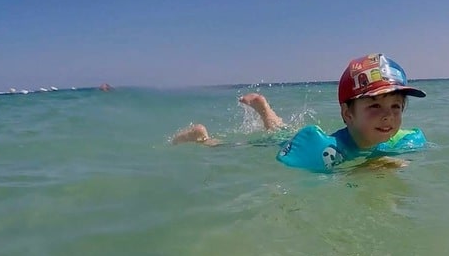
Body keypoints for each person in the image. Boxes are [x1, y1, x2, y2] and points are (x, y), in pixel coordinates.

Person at [172, 54, 427, 171]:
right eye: (374, 106)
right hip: (295, 145)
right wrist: (374, 165)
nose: (388, 116)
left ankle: (264, 109)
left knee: (281, 130)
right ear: (348, 114)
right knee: (264, 141)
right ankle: (202, 139)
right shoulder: (332, 150)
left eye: (396, 106)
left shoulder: (402, 139)